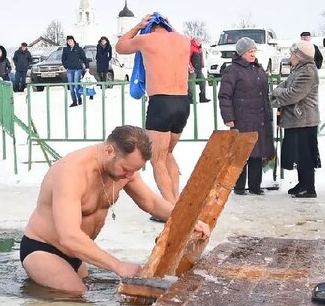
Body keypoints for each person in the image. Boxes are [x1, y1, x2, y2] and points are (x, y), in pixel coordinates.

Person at [20, 125, 210, 294]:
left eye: (134, 170)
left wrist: (189, 220)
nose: (129, 175)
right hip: (44, 249)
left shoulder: (124, 171)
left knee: (87, 289)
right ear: (109, 151)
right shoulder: (72, 172)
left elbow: (151, 202)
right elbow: (68, 236)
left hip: (77, 254)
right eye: (126, 168)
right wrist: (118, 266)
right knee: (76, 296)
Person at [115, 13, 193, 204]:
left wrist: (138, 26)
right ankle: (176, 203)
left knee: (157, 160)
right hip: (183, 102)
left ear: (148, 27)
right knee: (168, 154)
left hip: (161, 102)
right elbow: (174, 34)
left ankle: (170, 209)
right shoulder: (183, 40)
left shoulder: (146, 40)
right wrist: (169, 24)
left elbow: (120, 46)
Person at [218, 38, 273, 195]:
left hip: (259, 117)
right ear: (241, 53)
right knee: (240, 154)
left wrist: (268, 114)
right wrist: (228, 117)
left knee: (257, 152)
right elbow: (224, 96)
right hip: (241, 117)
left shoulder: (258, 69)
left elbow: (265, 95)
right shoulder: (232, 70)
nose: (253, 54)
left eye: (254, 51)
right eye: (250, 51)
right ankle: (239, 186)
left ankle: (255, 186)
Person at [273, 41, 321, 198]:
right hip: (296, 119)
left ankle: (308, 187)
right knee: (298, 154)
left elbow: (293, 95)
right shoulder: (298, 69)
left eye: (292, 53)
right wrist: (278, 92)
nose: (290, 56)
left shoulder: (307, 71)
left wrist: (276, 96)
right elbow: (283, 87)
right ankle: (303, 183)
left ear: (299, 55)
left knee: (305, 154)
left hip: (304, 119)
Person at [62, 35, 90, 107]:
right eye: (68, 41)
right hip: (70, 70)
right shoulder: (65, 49)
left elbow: (84, 58)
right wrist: (66, 66)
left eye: (71, 40)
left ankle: (79, 98)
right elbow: (63, 59)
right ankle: (74, 101)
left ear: (73, 41)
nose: (69, 42)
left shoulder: (79, 49)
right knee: (71, 86)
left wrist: (87, 66)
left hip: (77, 69)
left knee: (76, 84)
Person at [189, 37, 210, 103]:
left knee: (203, 81)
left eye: (200, 41)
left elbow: (201, 57)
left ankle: (202, 97)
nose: (199, 42)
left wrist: (202, 64)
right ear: (194, 41)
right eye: (198, 41)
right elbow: (187, 58)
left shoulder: (200, 48)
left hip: (199, 69)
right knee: (191, 84)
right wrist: (190, 67)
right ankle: (190, 98)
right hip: (193, 69)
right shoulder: (191, 47)